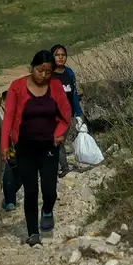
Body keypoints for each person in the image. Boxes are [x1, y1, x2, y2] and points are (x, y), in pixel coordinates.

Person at [1, 50, 71, 246]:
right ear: (32, 67)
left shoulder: (55, 87)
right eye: (40, 71)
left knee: (49, 190)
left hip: (49, 145)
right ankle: (33, 233)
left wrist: (59, 133)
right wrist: (4, 144)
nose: (44, 76)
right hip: (25, 146)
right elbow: (8, 118)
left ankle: (47, 210)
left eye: (48, 72)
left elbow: (66, 113)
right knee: (31, 189)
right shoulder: (17, 87)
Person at [49, 44, 83, 178]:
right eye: (57, 55)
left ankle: (63, 167)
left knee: (59, 140)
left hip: (65, 115)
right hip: (50, 114)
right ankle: (53, 166)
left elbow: (74, 95)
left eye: (63, 55)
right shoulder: (48, 74)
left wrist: (79, 114)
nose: (60, 57)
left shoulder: (69, 73)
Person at [0, 91, 22, 212]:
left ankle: (8, 198)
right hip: (4, 151)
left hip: (18, 151)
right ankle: (10, 201)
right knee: (8, 175)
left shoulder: (20, 114)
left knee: (20, 177)